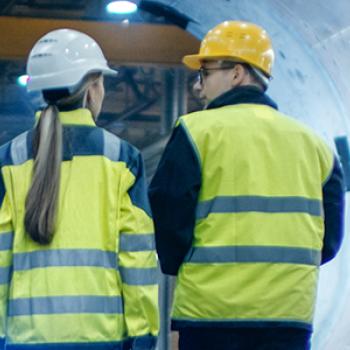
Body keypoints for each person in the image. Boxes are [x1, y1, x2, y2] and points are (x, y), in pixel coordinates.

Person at [149, 21, 345, 350]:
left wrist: (178, 263)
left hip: (210, 314)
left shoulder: (197, 132)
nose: (199, 87)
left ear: (237, 73)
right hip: (289, 318)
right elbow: (329, 240)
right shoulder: (316, 145)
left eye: (205, 73)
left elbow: (168, 213)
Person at [0, 29, 159, 350]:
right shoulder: (121, 159)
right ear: (92, 88)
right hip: (102, 338)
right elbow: (137, 257)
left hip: (25, 340)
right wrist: (143, 336)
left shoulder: (10, 159)